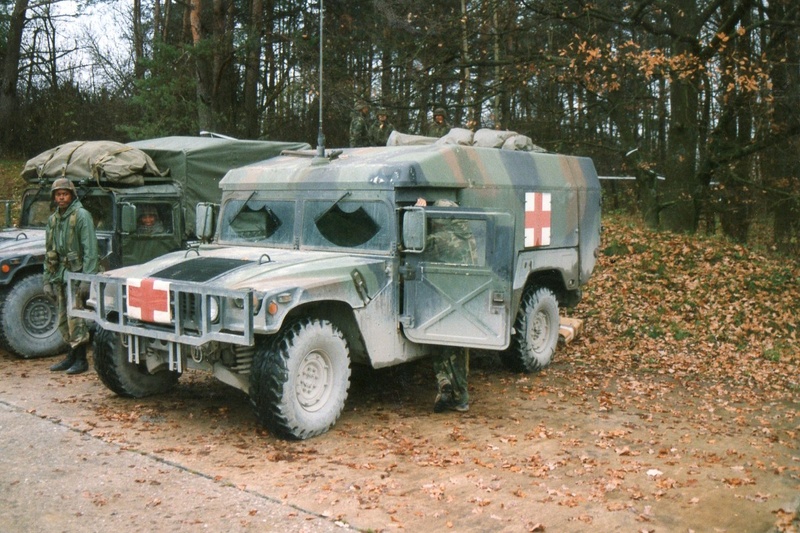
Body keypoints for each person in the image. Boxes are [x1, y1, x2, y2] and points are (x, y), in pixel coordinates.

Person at [415, 198, 472, 413]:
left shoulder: (444, 240)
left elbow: (417, 242)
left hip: (446, 301)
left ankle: (455, 394)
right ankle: (449, 389)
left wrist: (418, 214)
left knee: (442, 347)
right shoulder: (467, 238)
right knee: (456, 350)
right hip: (464, 300)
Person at [44, 178, 99, 374]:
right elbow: (49, 251)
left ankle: (81, 359)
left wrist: (87, 278)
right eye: (58, 194)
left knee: (76, 316)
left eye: (64, 193)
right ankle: (71, 355)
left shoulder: (82, 216)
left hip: (76, 274)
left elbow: (90, 249)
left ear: (71, 195)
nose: (61, 197)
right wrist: (47, 280)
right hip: (59, 273)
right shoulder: (53, 219)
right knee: (62, 317)